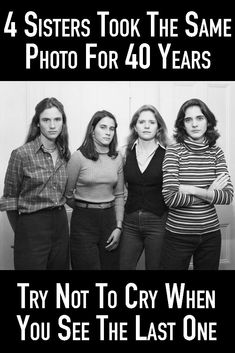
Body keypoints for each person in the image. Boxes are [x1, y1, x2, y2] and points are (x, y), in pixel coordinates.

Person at [161, 98, 234, 270]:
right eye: (188, 119)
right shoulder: (174, 150)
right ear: (182, 124)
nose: (194, 124)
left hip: (210, 235)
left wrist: (192, 189)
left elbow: (227, 196)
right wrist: (209, 193)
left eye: (199, 118)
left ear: (208, 121)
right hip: (178, 235)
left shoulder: (216, 152)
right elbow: (170, 198)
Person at [0, 97, 71, 270]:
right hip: (32, 225)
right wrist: (23, 233)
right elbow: (10, 199)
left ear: (63, 122)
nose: (52, 125)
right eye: (46, 120)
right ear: (38, 123)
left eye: (57, 119)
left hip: (61, 224)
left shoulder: (65, 155)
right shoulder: (21, 154)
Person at [65, 110, 124, 270]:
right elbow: (67, 194)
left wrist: (118, 227)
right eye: (103, 127)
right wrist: (85, 208)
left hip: (109, 221)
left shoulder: (116, 157)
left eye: (112, 128)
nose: (108, 132)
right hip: (83, 222)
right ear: (92, 129)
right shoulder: (78, 157)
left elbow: (119, 195)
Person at [119, 104, 169, 270]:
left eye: (152, 122)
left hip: (158, 222)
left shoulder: (169, 153)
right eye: (141, 122)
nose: (146, 126)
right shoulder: (124, 152)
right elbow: (119, 186)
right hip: (130, 222)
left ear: (158, 127)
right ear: (135, 126)